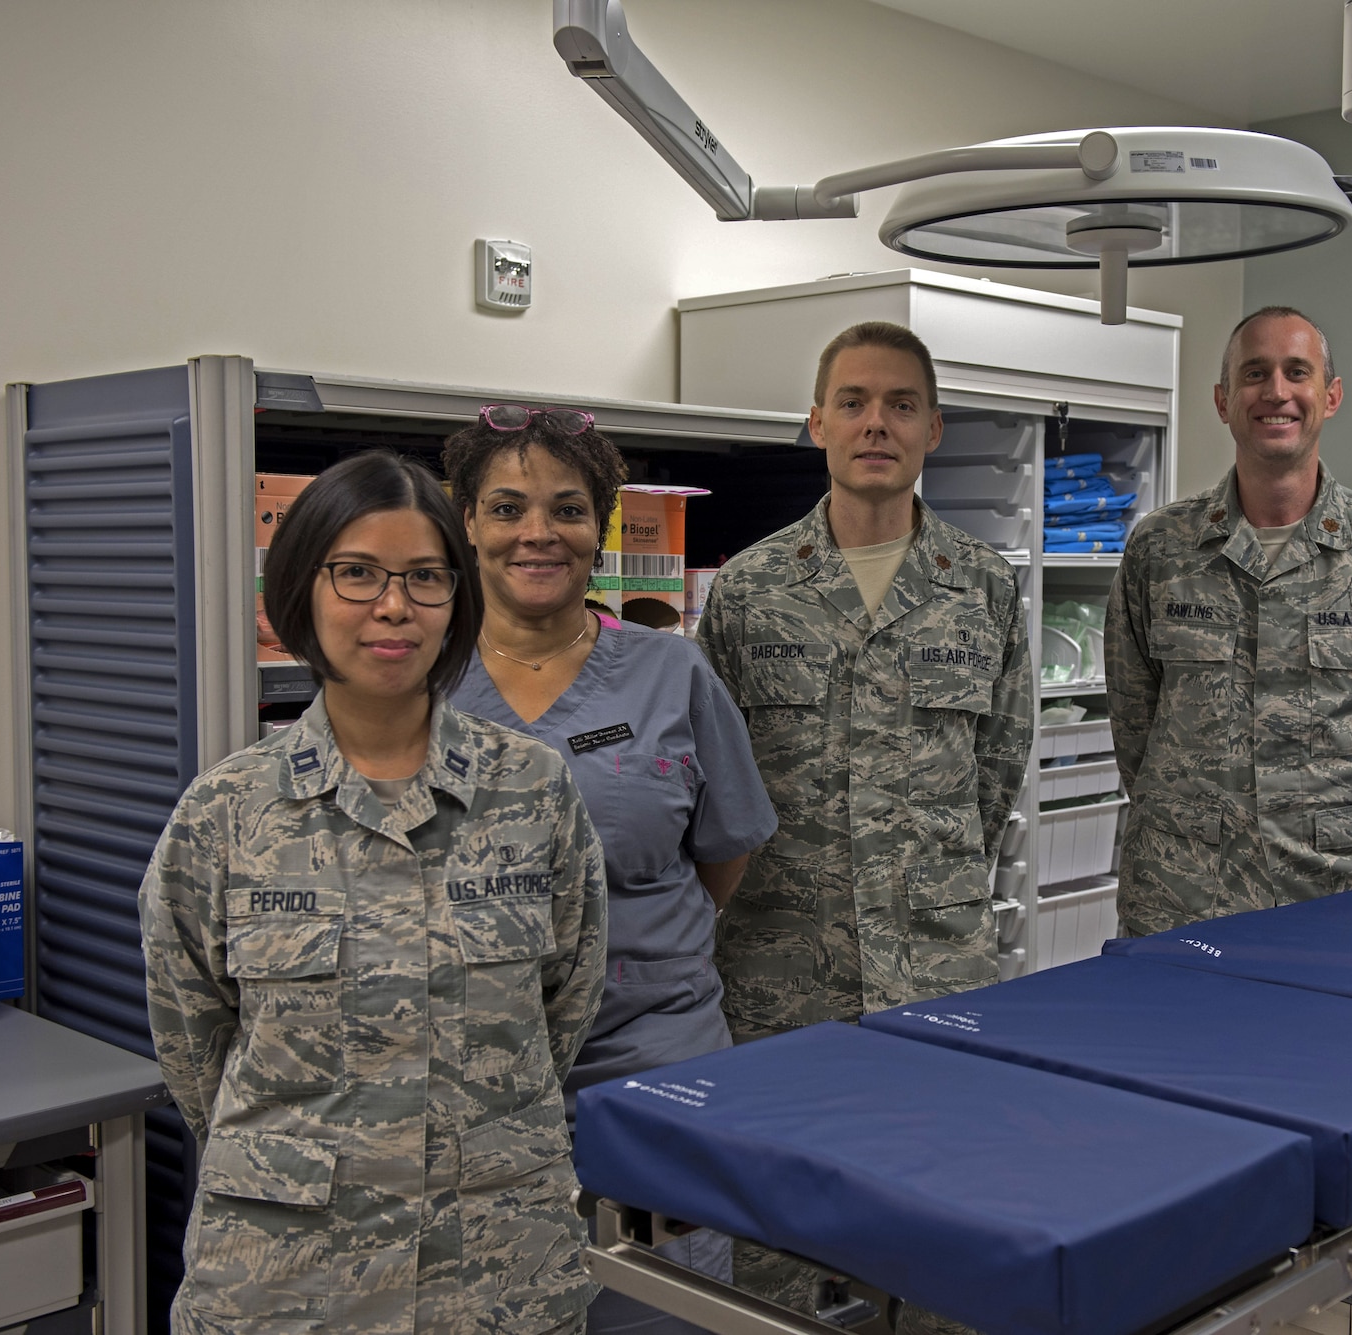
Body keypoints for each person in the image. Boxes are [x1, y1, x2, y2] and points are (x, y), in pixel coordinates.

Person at [139, 450, 607, 1335]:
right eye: (356, 573)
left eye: (425, 577)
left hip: (493, 1267)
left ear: (455, 598)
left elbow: (563, 1007)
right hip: (289, 1276)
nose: (394, 606)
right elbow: (195, 1043)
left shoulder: (532, 789)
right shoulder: (227, 812)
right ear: (301, 590)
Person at [696, 320, 1033, 1335]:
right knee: (773, 1255)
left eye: (896, 404)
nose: (873, 423)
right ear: (814, 424)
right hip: (778, 976)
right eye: (851, 401)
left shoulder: (982, 585)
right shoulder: (749, 592)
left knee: (938, 1238)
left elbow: (995, 772)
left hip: (936, 972)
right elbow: (716, 794)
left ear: (932, 428)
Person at [442, 405, 777, 1335]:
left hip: (655, 1056)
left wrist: (624, 947)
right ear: (466, 519)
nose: (537, 532)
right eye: (507, 507)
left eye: (568, 508)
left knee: (665, 1306)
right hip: (475, 1072)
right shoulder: (419, 679)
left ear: (602, 524)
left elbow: (724, 853)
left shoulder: (671, 673)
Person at [1106, 305, 1352, 937]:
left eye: (1297, 372)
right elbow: (1134, 718)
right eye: (1254, 374)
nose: (1276, 392)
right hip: (1186, 892)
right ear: (1223, 400)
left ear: (1330, 395)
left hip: (1347, 889)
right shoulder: (1160, 549)